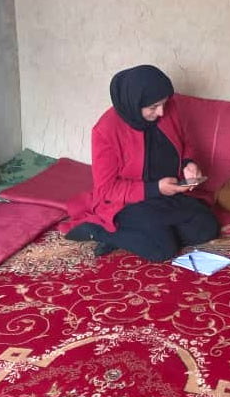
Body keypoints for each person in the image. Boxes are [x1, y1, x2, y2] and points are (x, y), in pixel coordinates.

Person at [65, 65, 219, 261]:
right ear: (134, 103)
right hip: (128, 202)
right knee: (162, 249)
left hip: (166, 196)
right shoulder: (106, 131)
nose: (162, 112)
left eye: (164, 103)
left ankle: (144, 232)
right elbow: (106, 189)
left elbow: (185, 144)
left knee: (206, 227)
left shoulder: (168, 109)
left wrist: (188, 163)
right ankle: (99, 231)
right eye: (153, 107)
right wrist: (155, 189)